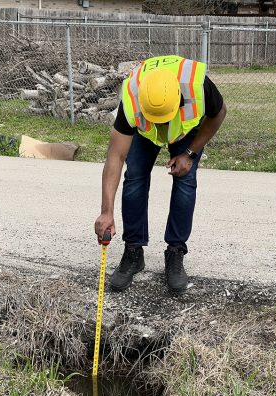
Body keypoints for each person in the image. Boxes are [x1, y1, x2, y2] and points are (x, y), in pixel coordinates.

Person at [95, 55, 226, 294]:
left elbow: (219, 113)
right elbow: (115, 157)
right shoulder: (133, 99)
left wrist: (189, 153)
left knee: (185, 181)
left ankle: (175, 252)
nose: (161, 126)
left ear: (179, 98)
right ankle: (133, 252)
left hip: (185, 129)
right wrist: (106, 212)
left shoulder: (198, 86)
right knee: (134, 177)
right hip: (144, 133)